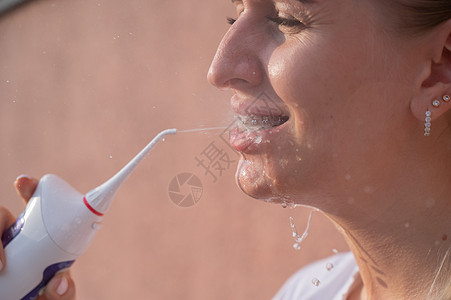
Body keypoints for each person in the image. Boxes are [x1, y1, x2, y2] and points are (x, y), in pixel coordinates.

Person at [1, 0, 450, 299]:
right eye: (235, 16)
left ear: (439, 68)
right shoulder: (307, 292)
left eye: (287, 19)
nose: (220, 70)